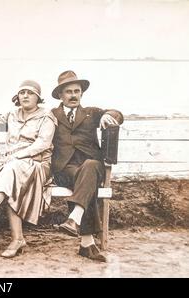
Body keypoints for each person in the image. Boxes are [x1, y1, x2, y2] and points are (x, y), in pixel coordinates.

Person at [0, 80, 57, 258]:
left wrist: (18, 155)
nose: (25, 95)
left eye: (30, 93)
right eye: (22, 92)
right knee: (11, 178)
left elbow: (43, 144)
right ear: (17, 97)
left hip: (38, 164)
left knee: (10, 171)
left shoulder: (46, 116)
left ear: (38, 98)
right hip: (14, 166)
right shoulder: (12, 115)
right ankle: (17, 239)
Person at [51, 70, 123, 262]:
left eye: (77, 91)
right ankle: (85, 242)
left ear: (82, 93)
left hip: (92, 164)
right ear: (60, 95)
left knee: (90, 167)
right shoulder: (51, 115)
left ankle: (75, 219)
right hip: (65, 168)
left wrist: (109, 115)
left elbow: (118, 114)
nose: (73, 95)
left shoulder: (92, 113)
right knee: (87, 182)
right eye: (68, 92)